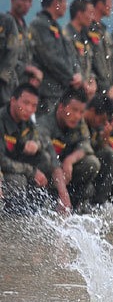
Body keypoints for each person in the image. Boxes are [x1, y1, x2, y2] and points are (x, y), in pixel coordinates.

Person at [0, 83, 70, 214]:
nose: (29, 109)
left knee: (45, 160)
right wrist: (32, 171)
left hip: (16, 167)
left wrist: (63, 193)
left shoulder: (27, 123)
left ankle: (34, 211)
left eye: (33, 106)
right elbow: (2, 160)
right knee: (18, 181)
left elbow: (45, 145)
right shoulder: (2, 121)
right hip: (4, 173)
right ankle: (9, 215)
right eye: (26, 103)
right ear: (13, 100)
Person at [31, 0, 83, 115]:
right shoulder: (40, 25)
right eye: (64, 1)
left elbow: (70, 54)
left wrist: (77, 73)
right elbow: (51, 57)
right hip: (48, 93)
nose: (66, 5)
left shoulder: (55, 26)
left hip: (60, 91)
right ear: (56, 2)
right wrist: (71, 77)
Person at [0, 0, 42, 106]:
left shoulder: (26, 28)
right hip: (6, 85)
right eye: (23, 0)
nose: (27, 4)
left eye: (29, 1)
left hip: (23, 86)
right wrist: (27, 68)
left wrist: (33, 76)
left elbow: (30, 56)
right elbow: (5, 57)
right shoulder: (5, 24)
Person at [89, 0, 113, 99]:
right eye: (110, 2)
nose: (111, 6)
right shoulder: (88, 28)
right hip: (93, 90)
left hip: (107, 90)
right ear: (100, 4)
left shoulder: (103, 31)